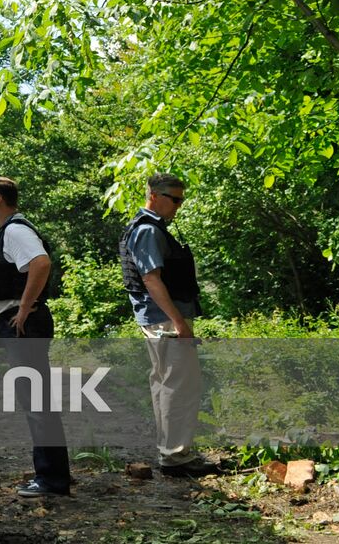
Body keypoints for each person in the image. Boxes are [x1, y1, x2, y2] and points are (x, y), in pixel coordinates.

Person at [0, 177, 72, 499]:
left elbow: (41, 263)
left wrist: (24, 308)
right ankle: (53, 474)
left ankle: (52, 480)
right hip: (18, 325)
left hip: (23, 325)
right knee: (37, 400)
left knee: (37, 402)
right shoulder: (10, 230)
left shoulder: (16, 230)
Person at [119, 173, 216, 477]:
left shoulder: (147, 227)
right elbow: (151, 279)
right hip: (164, 321)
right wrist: (179, 322)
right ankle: (175, 458)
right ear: (155, 196)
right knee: (179, 386)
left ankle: (171, 452)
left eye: (181, 200)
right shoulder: (148, 230)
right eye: (175, 200)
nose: (179, 206)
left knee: (166, 385)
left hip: (158, 319)